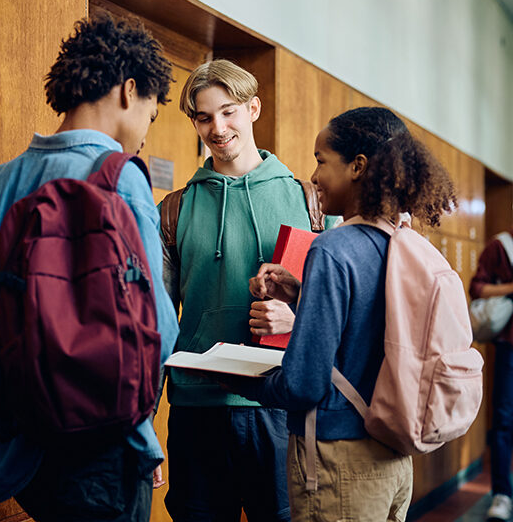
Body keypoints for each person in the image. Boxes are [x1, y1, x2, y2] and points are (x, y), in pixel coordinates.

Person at [0, 13, 179, 522]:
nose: (142, 138)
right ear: (129, 91)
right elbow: (160, 326)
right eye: (151, 117)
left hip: (12, 452)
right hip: (99, 449)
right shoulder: (119, 178)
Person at [240, 107, 457, 521]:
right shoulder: (400, 242)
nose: (315, 175)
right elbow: (371, 325)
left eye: (322, 160)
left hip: (339, 462)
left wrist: (248, 384)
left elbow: (304, 384)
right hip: (393, 458)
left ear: (357, 167)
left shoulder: (333, 248)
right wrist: (304, 294)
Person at [160, 59, 336, 522]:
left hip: (279, 402)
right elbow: (155, 319)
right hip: (197, 404)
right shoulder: (175, 209)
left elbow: (347, 308)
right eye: (204, 117)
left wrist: (299, 320)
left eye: (229, 110)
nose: (217, 127)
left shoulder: (312, 201)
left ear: (253, 108)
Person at [470, 229, 513, 521]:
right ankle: (502, 494)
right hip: (509, 347)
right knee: (503, 420)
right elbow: (477, 288)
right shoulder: (502, 247)